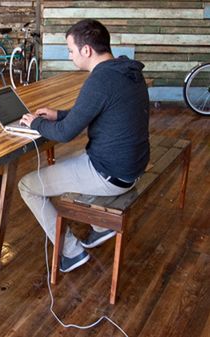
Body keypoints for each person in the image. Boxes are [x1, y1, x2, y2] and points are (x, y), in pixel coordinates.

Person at [18, 19, 150, 273]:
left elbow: (66, 135)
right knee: (69, 164)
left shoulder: (99, 80)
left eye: (70, 50)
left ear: (86, 50)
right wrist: (59, 114)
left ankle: (71, 252)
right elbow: (92, 111)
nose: (70, 56)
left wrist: (35, 123)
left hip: (109, 174)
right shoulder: (125, 70)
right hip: (131, 169)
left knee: (27, 186)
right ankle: (101, 227)